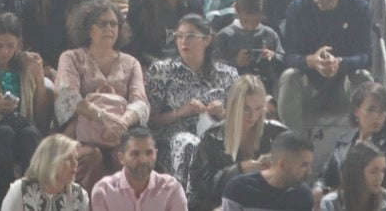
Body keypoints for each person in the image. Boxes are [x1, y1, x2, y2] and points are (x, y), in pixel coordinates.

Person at [276, 0, 372, 133]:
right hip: (308, 87)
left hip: (344, 87)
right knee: (289, 77)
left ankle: (360, 146)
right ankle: (292, 146)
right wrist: (311, 61)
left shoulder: (359, 9)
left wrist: (340, 63)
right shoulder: (297, 9)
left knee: (364, 78)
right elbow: (288, 56)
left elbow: (366, 57)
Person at [56, 1, 149, 188]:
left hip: (120, 134)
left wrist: (121, 123)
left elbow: (140, 103)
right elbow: (68, 97)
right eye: (103, 23)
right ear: (89, 29)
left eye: (113, 24)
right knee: (92, 157)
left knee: (125, 158)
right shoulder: (71, 57)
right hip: (80, 135)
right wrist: (103, 117)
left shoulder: (131, 63)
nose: (109, 28)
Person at [0, 14, 50, 211]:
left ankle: (33, 201)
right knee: (5, 132)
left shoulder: (27, 67)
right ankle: (2, 204)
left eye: (10, 46)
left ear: (18, 44)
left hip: (23, 129)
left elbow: (41, 120)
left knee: (30, 134)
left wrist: (39, 79)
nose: (5, 52)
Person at [146, 14, 236, 186]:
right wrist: (180, 112)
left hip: (216, 140)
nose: (183, 41)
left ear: (207, 40)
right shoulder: (162, 71)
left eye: (190, 36)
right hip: (173, 143)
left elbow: (238, 117)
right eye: (179, 36)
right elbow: (151, 120)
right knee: (188, 144)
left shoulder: (227, 74)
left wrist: (222, 114)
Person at [188, 76, 285, 211]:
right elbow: (201, 187)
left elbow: (297, 172)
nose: (252, 116)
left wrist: (276, 166)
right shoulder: (212, 137)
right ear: (234, 106)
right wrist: (240, 169)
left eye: (258, 109)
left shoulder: (277, 134)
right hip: (224, 204)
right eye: (246, 109)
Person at [91, 126, 186, 211]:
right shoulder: (104, 191)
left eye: (149, 153)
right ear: (121, 158)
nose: (143, 160)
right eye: (135, 154)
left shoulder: (171, 189)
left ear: (156, 154)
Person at [218, 128, 312, 211]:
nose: (309, 172)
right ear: (282, 164)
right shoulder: (238, 189)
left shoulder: (303, 194)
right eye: (304, 165)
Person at [0, 134, 85, 211]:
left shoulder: (80, 195)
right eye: (68, 158)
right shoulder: (20, 190)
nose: (75, 164)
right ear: (51, 161)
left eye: (76, 158)